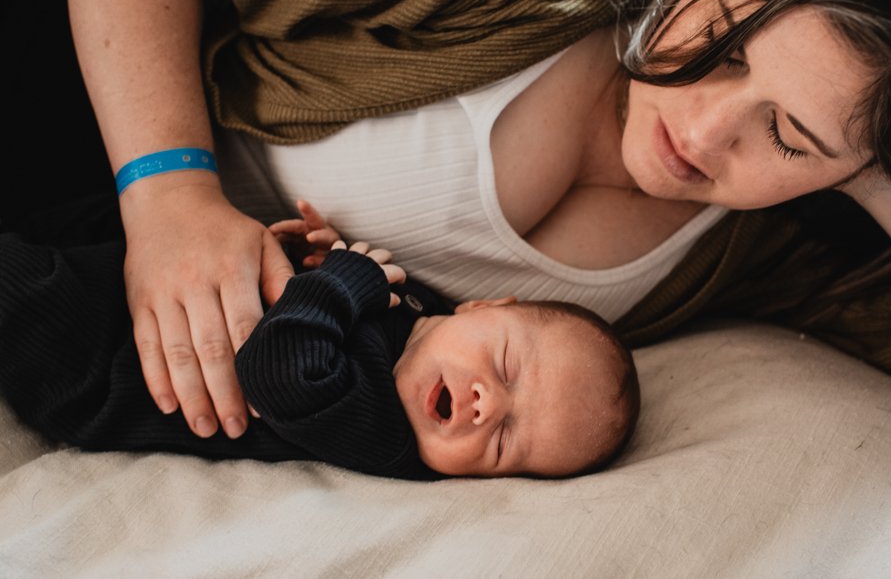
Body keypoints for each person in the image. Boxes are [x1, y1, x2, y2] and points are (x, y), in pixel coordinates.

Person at [49, 0, 891, 441]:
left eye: (787, 136)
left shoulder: (777, 241)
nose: (702, 130)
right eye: (724, 37)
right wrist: (167, 189)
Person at [0, 199, 639, 479]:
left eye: (503, 443)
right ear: (485, 305)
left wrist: (341, 282)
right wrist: (321, 259)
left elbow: (276, 373)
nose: (487, 404)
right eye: (505, 363)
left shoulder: (386, 434)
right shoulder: (427, 312)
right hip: (140, 272)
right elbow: (349, 294)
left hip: (94, 360)